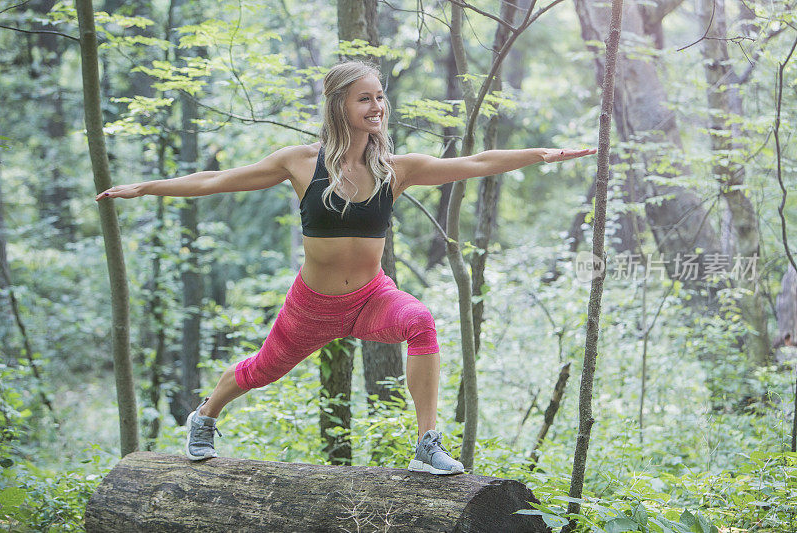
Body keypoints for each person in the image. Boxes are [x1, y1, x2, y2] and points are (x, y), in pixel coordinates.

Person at [96, 60, 596, 475]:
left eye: (380, 97)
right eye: (365, 99)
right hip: (312, 305)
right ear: (339, 105)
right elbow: (215, 180)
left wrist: (543, 154)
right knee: (260, 371)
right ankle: (204, 415)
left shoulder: (395, 169)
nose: (377, 106)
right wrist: (144, 188)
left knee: (421, 322)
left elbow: (478, 162)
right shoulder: (299, 163)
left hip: (372, 298)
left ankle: (426, 442)